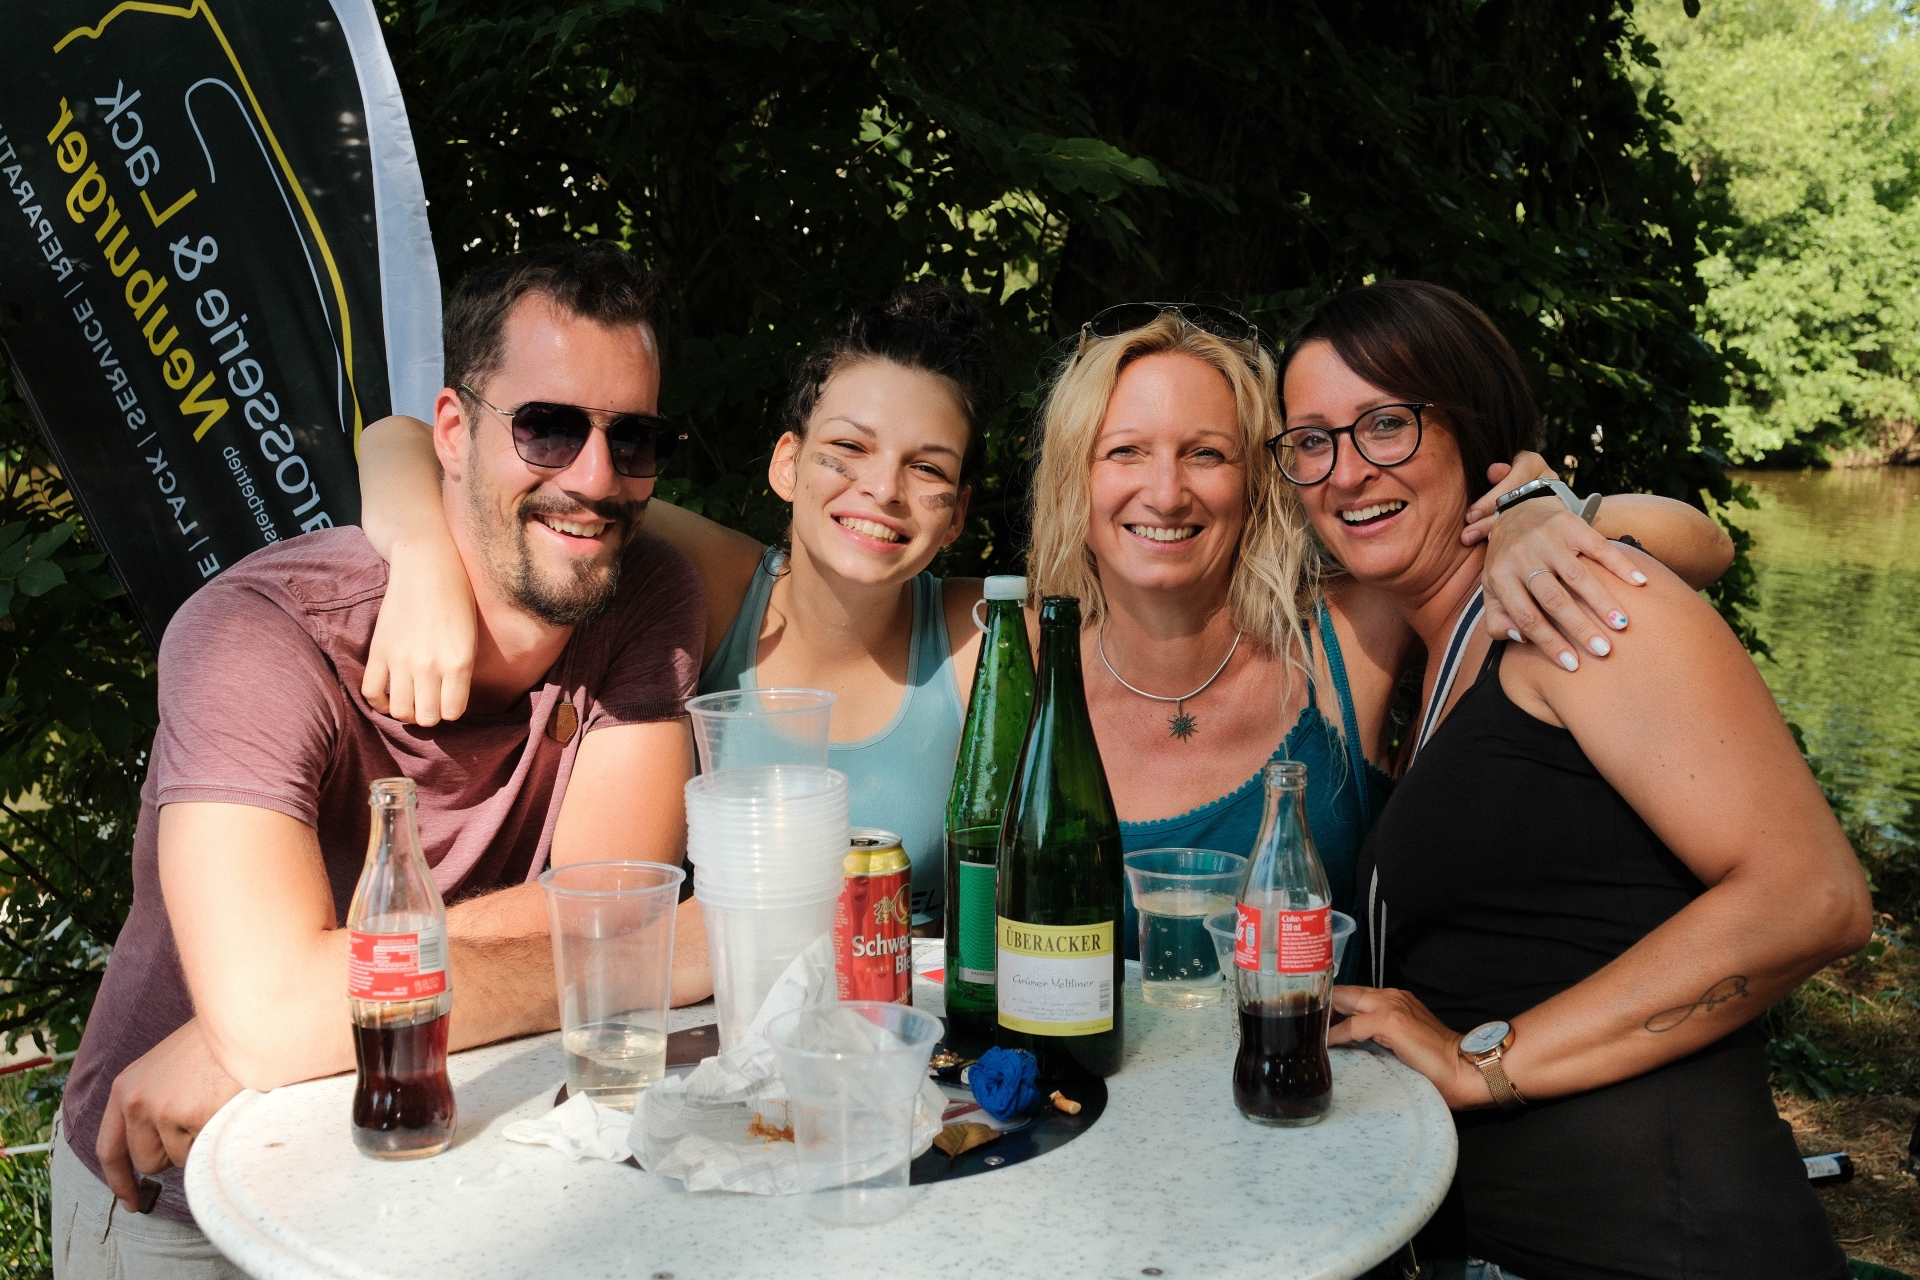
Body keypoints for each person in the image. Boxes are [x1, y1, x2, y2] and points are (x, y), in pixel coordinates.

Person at [52, 240, 710, 1279]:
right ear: (452, 431)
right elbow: (614, 943)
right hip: (185, 1191)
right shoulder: (258, 636)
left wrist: (305, 1002)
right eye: (547, 427)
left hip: (451, 1173)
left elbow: (604, 905)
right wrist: (666, 955)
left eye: (633, 437)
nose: (596, 476)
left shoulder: (645, 596)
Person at [1279, 281, 1872, 1279]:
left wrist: (1482, 1060)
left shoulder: (1573, 604)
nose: (1347, 470)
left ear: (1472, 431)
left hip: (1661, 1246)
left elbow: (1810, 898)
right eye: (1311, 440)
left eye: (1385, 423)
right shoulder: (1453, 657)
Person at [1023, 303, 1736, 962]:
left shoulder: (1349, 628)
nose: (1165, 492)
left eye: (1207, 454)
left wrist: (1534, 511)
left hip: (1317, 1056)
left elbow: (1704, 547)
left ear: (1258, 483)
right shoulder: (1009, 658)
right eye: (1124, 451)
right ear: (1071, 476)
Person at [358, 287, 1001, 922]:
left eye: (928, 469)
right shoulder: (717, 583)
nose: (884, 488)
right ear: (787, 463)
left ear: (958, 515)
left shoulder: (988, 635)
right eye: (850, 448)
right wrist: (424, 562)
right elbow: (407, 439)